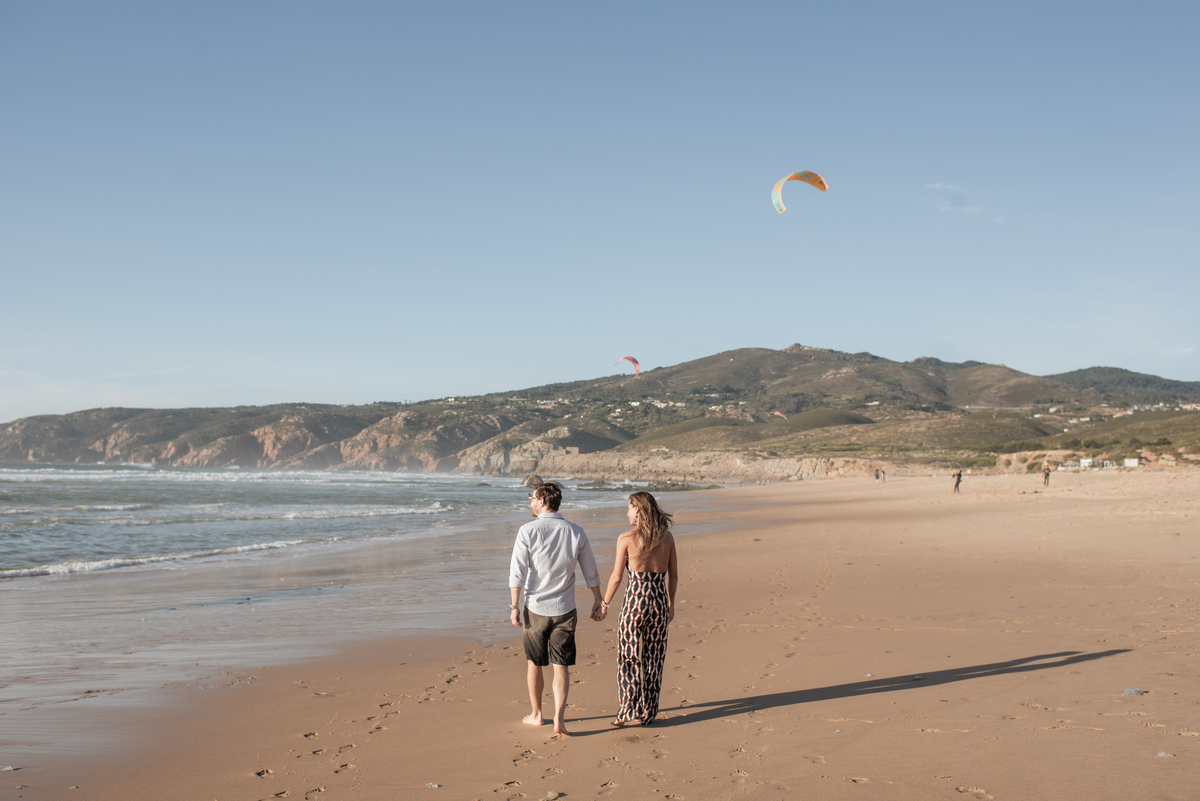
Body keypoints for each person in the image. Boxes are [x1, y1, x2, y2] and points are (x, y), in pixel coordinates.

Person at [509, 481, 603, 736]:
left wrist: (514, 606)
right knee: (561, 665)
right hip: (565, 608)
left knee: (534, 663)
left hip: (536, 607)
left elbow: (517, 573)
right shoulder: (576, 531)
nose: (530, 502)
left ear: (542, 501)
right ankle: (559, 719)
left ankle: (537, 714)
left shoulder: (527, 531)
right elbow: (590, 571)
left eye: (532, 498)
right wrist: (598, 600)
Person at [602, 491, 679, 727]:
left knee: (629, 656)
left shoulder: (626, 538)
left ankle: (627, 710)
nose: (627, 512)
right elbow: (673, 575)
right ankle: (648, 713)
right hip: (658, 600)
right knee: (654, 658)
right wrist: (671, 604)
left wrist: (604, 604)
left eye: (629, 508)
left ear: (638, 509)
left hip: (635, 602)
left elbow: (616, 578)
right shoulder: (667, 538)